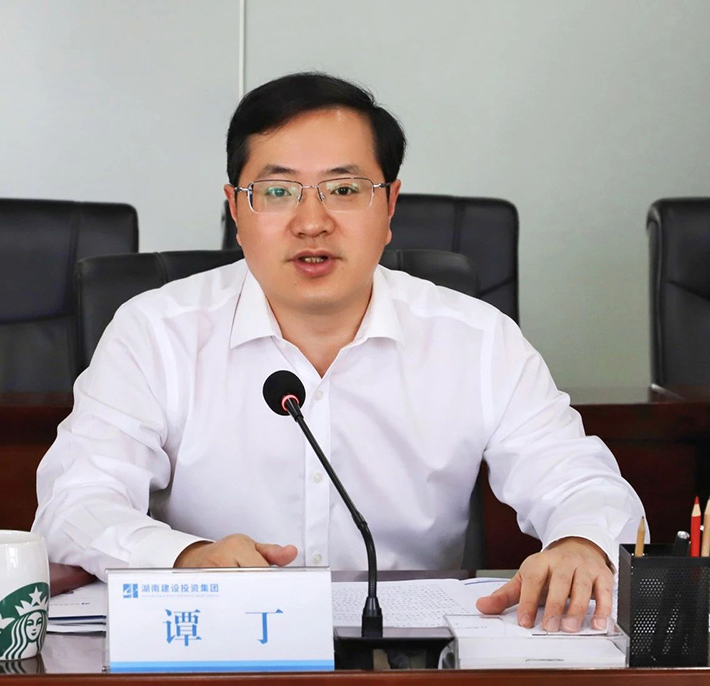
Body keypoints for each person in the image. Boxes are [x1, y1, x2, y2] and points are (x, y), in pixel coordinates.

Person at [33, 72, 645, 632]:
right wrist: (186, 557)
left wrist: (581, 542)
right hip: (216, 645)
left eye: (344, 188)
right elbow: (74, 505)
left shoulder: (478, 339)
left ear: (390, 205)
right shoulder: (154, 333)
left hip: (406, 658)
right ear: (236, 209)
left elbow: (581, 481)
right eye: (277, 191)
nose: (311, 222)